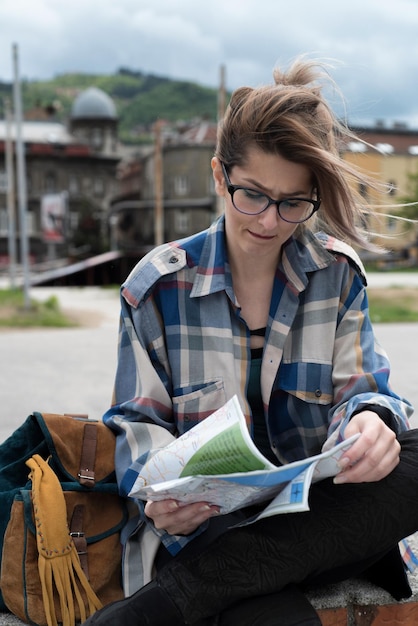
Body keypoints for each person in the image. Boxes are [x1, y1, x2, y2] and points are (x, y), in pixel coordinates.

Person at [83, 58, 418, 625]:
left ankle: (161, 609)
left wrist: (370, 425)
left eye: (293, 203)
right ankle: (190, 592)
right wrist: (162, 496)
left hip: (321, 516)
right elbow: (137, 425)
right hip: (209, 531)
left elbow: (363, 390)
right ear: (220, 175)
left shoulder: (337, 275)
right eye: (253, 195)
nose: (269, 221)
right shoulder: (156, 287)